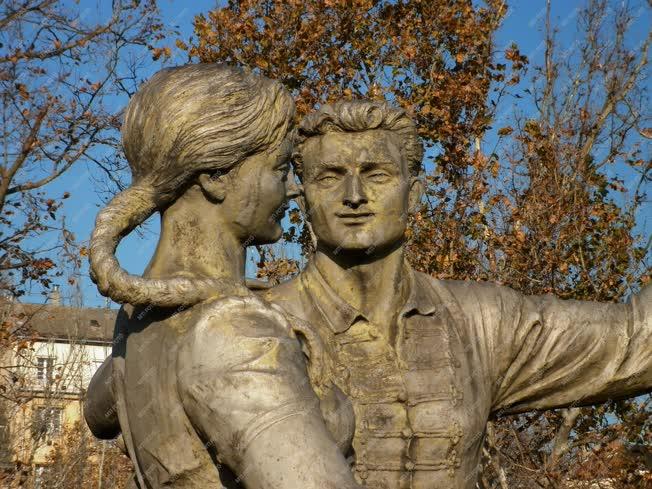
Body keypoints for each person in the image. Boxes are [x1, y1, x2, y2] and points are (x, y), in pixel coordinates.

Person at [263, 100, 652, 489]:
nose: (354, 195)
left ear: (413, 194)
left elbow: (634, 341)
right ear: (303, 197)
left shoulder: (482, 320)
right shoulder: (260, 326)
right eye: (330, 177)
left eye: (376, 175)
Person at [84, 64, 359, 489]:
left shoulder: (140, 321)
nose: (293, 188)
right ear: (215, 177)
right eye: (279, 168)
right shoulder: (233, 330)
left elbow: (96, 411)